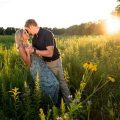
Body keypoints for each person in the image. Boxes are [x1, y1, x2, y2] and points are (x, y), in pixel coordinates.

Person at [24, 19, 71, 105]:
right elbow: (35, 52)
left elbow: (50, 53)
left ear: (31, 26)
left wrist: (34, 51)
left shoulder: (47, 34)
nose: (27, 32)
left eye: (27, 30)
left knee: (61, 83)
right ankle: (56, 105)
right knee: (52, 85)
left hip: (54, 62)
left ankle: (70, 104)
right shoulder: (34, 38)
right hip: (44, 64)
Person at [15, 29, 59, 104]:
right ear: (21, 37)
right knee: (47, 86)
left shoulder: (29, 44)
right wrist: (28, 53)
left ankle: (53, 103)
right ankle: (47, 104)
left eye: (26, 32)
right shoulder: (21, 48)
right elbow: (28, 63)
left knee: (55, 83)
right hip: (36, 69)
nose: (27, 33)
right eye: (25, 33)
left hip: (42, 65)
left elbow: (37, 54)